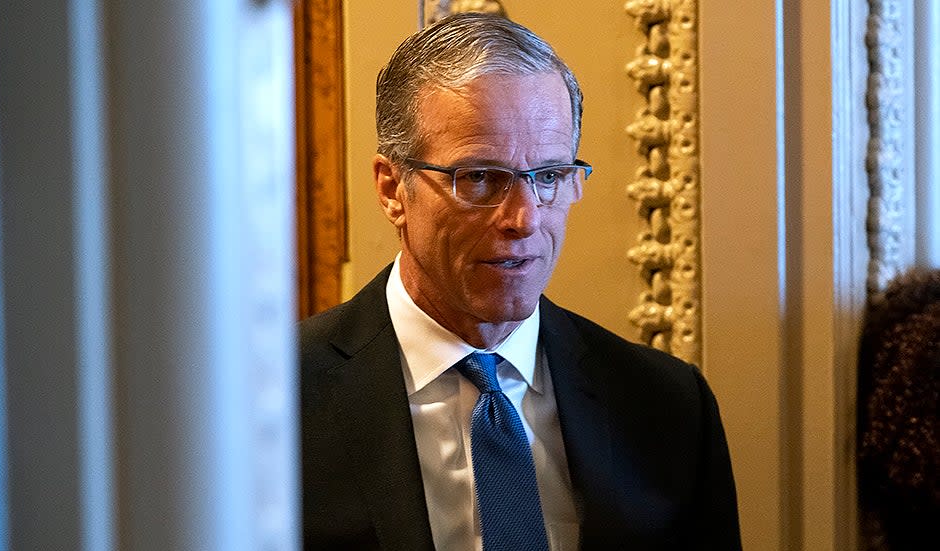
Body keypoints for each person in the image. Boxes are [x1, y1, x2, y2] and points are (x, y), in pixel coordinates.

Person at [300, 12, 741, 550]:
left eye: (550, 176)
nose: (524, 219)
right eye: (480, 178)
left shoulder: (667, 405)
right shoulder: (268, 401)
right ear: (393, 188)